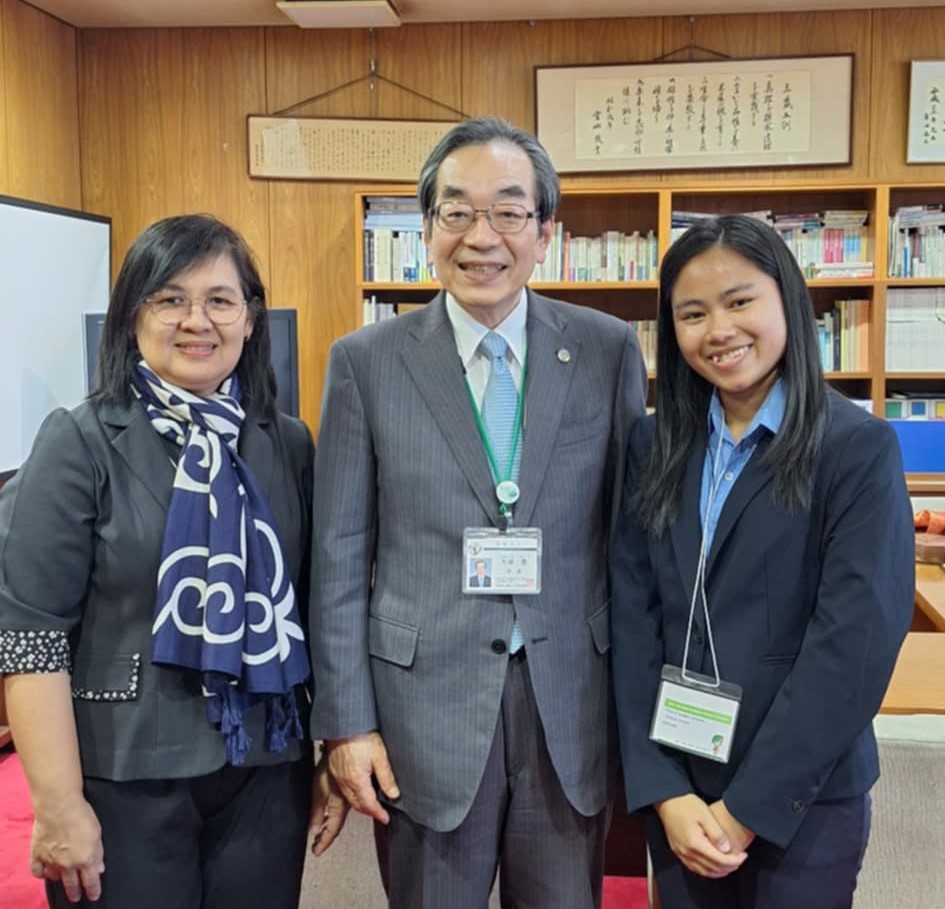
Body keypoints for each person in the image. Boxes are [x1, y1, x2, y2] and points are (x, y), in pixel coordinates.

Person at [309, 116, 648, 908]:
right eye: (455, 211)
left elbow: (629, 542)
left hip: (568, 697)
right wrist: (346, 725)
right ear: (426, 227)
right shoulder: (367, 362)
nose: (480, 236)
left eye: (507, 211)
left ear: (544, 231)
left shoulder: (604, 351)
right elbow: (337, 553)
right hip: (419, 708)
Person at [0, 214, 347, 909]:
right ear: (133, 315)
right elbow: (30, 637)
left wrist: (329, 755)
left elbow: (318, 609)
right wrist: (59, 804)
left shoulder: (286, 443)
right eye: (170, 298)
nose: (198, 320)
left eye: (220, 299)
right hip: (122, 775)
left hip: (264, 768)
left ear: (250, 318)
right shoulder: (80, 441)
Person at [610, 213, 915, 909]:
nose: (717, 329)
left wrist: (744, 808)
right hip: (681, 794)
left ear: (788, 301)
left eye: (739, 301)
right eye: (691, 313)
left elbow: (852, 647)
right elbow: (631, 620)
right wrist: (663, 789)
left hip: (799, 802)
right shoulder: (653, 445)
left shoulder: (854, 448)